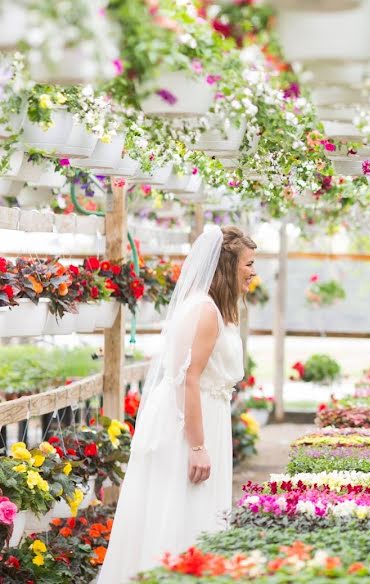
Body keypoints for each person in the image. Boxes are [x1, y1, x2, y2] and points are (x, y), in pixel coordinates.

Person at [98, 225, 257, 583]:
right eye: (248, 263)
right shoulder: (204, 312)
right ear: (227, 266)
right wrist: (198, 446)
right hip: (190, 423)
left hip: (201, 415)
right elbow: (188, 378)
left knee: (188, 506)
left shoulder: (211, 308)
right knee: (182, 506)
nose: (253, 272)